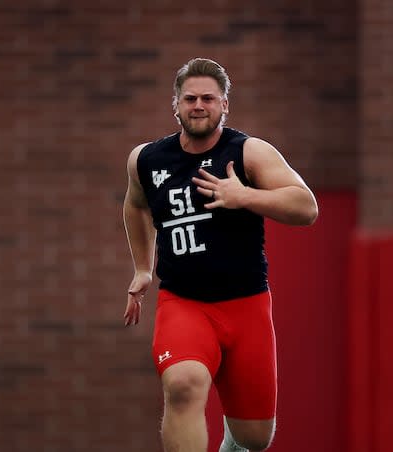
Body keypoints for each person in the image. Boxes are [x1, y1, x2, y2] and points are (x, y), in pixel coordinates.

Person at [122, 57, 318, 452]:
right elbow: (136, 204)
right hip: (184, 302)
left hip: (245, 304)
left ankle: (234, 441)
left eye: (208, 99)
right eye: (190, 98)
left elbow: (306, 207)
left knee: (254, 437)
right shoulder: (146, 159)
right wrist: (144, 267)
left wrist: (243, 195)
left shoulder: (249, 152)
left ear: (224, 104)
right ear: (175, 105)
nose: (199, 105)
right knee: (183, 385)